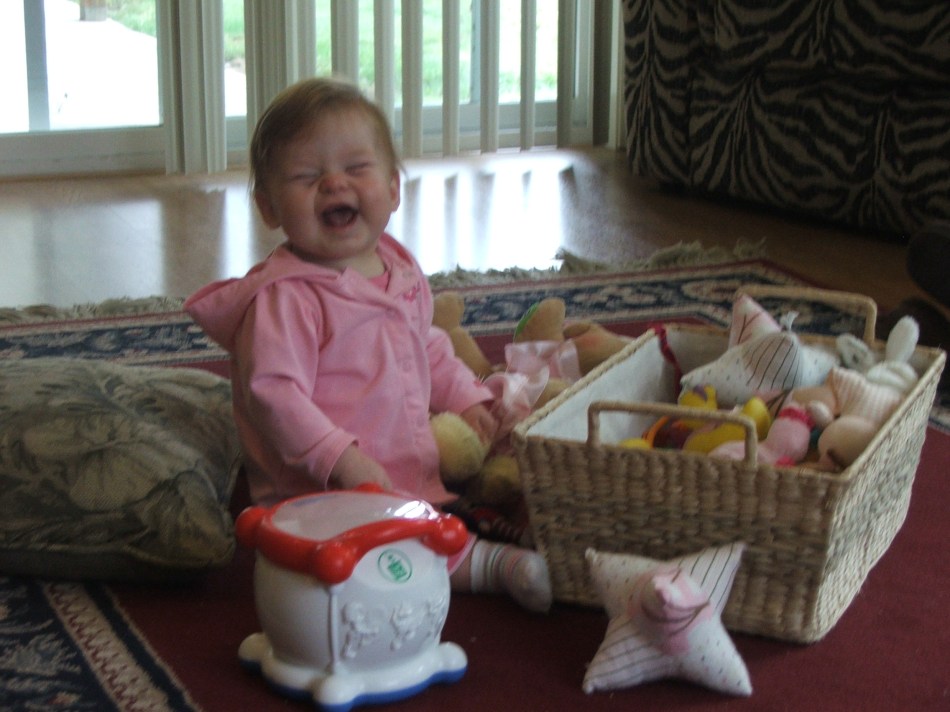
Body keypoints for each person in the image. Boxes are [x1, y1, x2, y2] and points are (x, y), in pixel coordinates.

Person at [185, 76, 551, 612]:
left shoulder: (397, 266)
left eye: (356, 169)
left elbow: (424, 343)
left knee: (497, 475)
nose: (334, 184)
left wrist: (467, 396)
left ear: (394, 188)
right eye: (307, 176)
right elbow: (273, 394)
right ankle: (489, 564)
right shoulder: (287, 297)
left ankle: (487, 532)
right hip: (320, 490)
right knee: (372, 561)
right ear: (268, 207)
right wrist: (341, 459)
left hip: (402, 466)